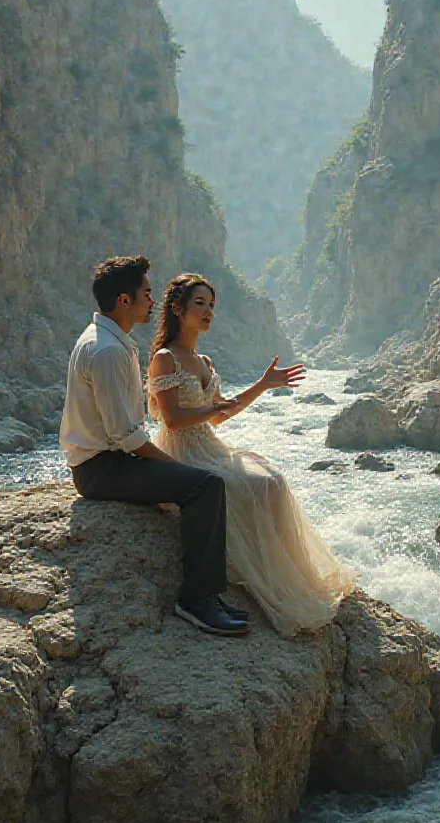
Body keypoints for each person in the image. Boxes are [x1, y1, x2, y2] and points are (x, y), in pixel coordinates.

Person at [147, 273, 357, 638]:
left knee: (271, 480)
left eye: (212, 305)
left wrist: (263, 384)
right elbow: (173, 419)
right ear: (178, 309)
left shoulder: (205, 360)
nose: (208, 311)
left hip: (208, 445)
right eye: (200, 304)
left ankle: (283, 573)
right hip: (180, 452)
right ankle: (260, 579)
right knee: (247, 487)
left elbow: (221, 415)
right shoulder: (165, 359)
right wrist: (212, 410)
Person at [59, 256, 250, 637]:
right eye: (146, 294)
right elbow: (125, 436)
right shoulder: (108, 350)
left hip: (109, 460)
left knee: (204, 482)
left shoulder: (113, 342)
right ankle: (195, 601)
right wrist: (173, 466)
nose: (152, 300)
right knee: (205, 485)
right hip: (102, 468)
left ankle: (208, 595)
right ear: (124, 300)